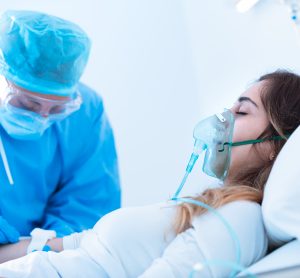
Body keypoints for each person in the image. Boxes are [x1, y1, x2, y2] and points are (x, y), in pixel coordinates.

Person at [0, 69, 299, 277]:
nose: (222, 119)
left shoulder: (242, 218)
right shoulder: (208, 208)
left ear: (276, 144)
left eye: (242, 112)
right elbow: (75, 244)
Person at [0, 10, 120, 248]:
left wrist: (41, 248)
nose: (42, 117)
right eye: (27, 103)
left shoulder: (85, 112)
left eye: (57, 109)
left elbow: (89, 205)